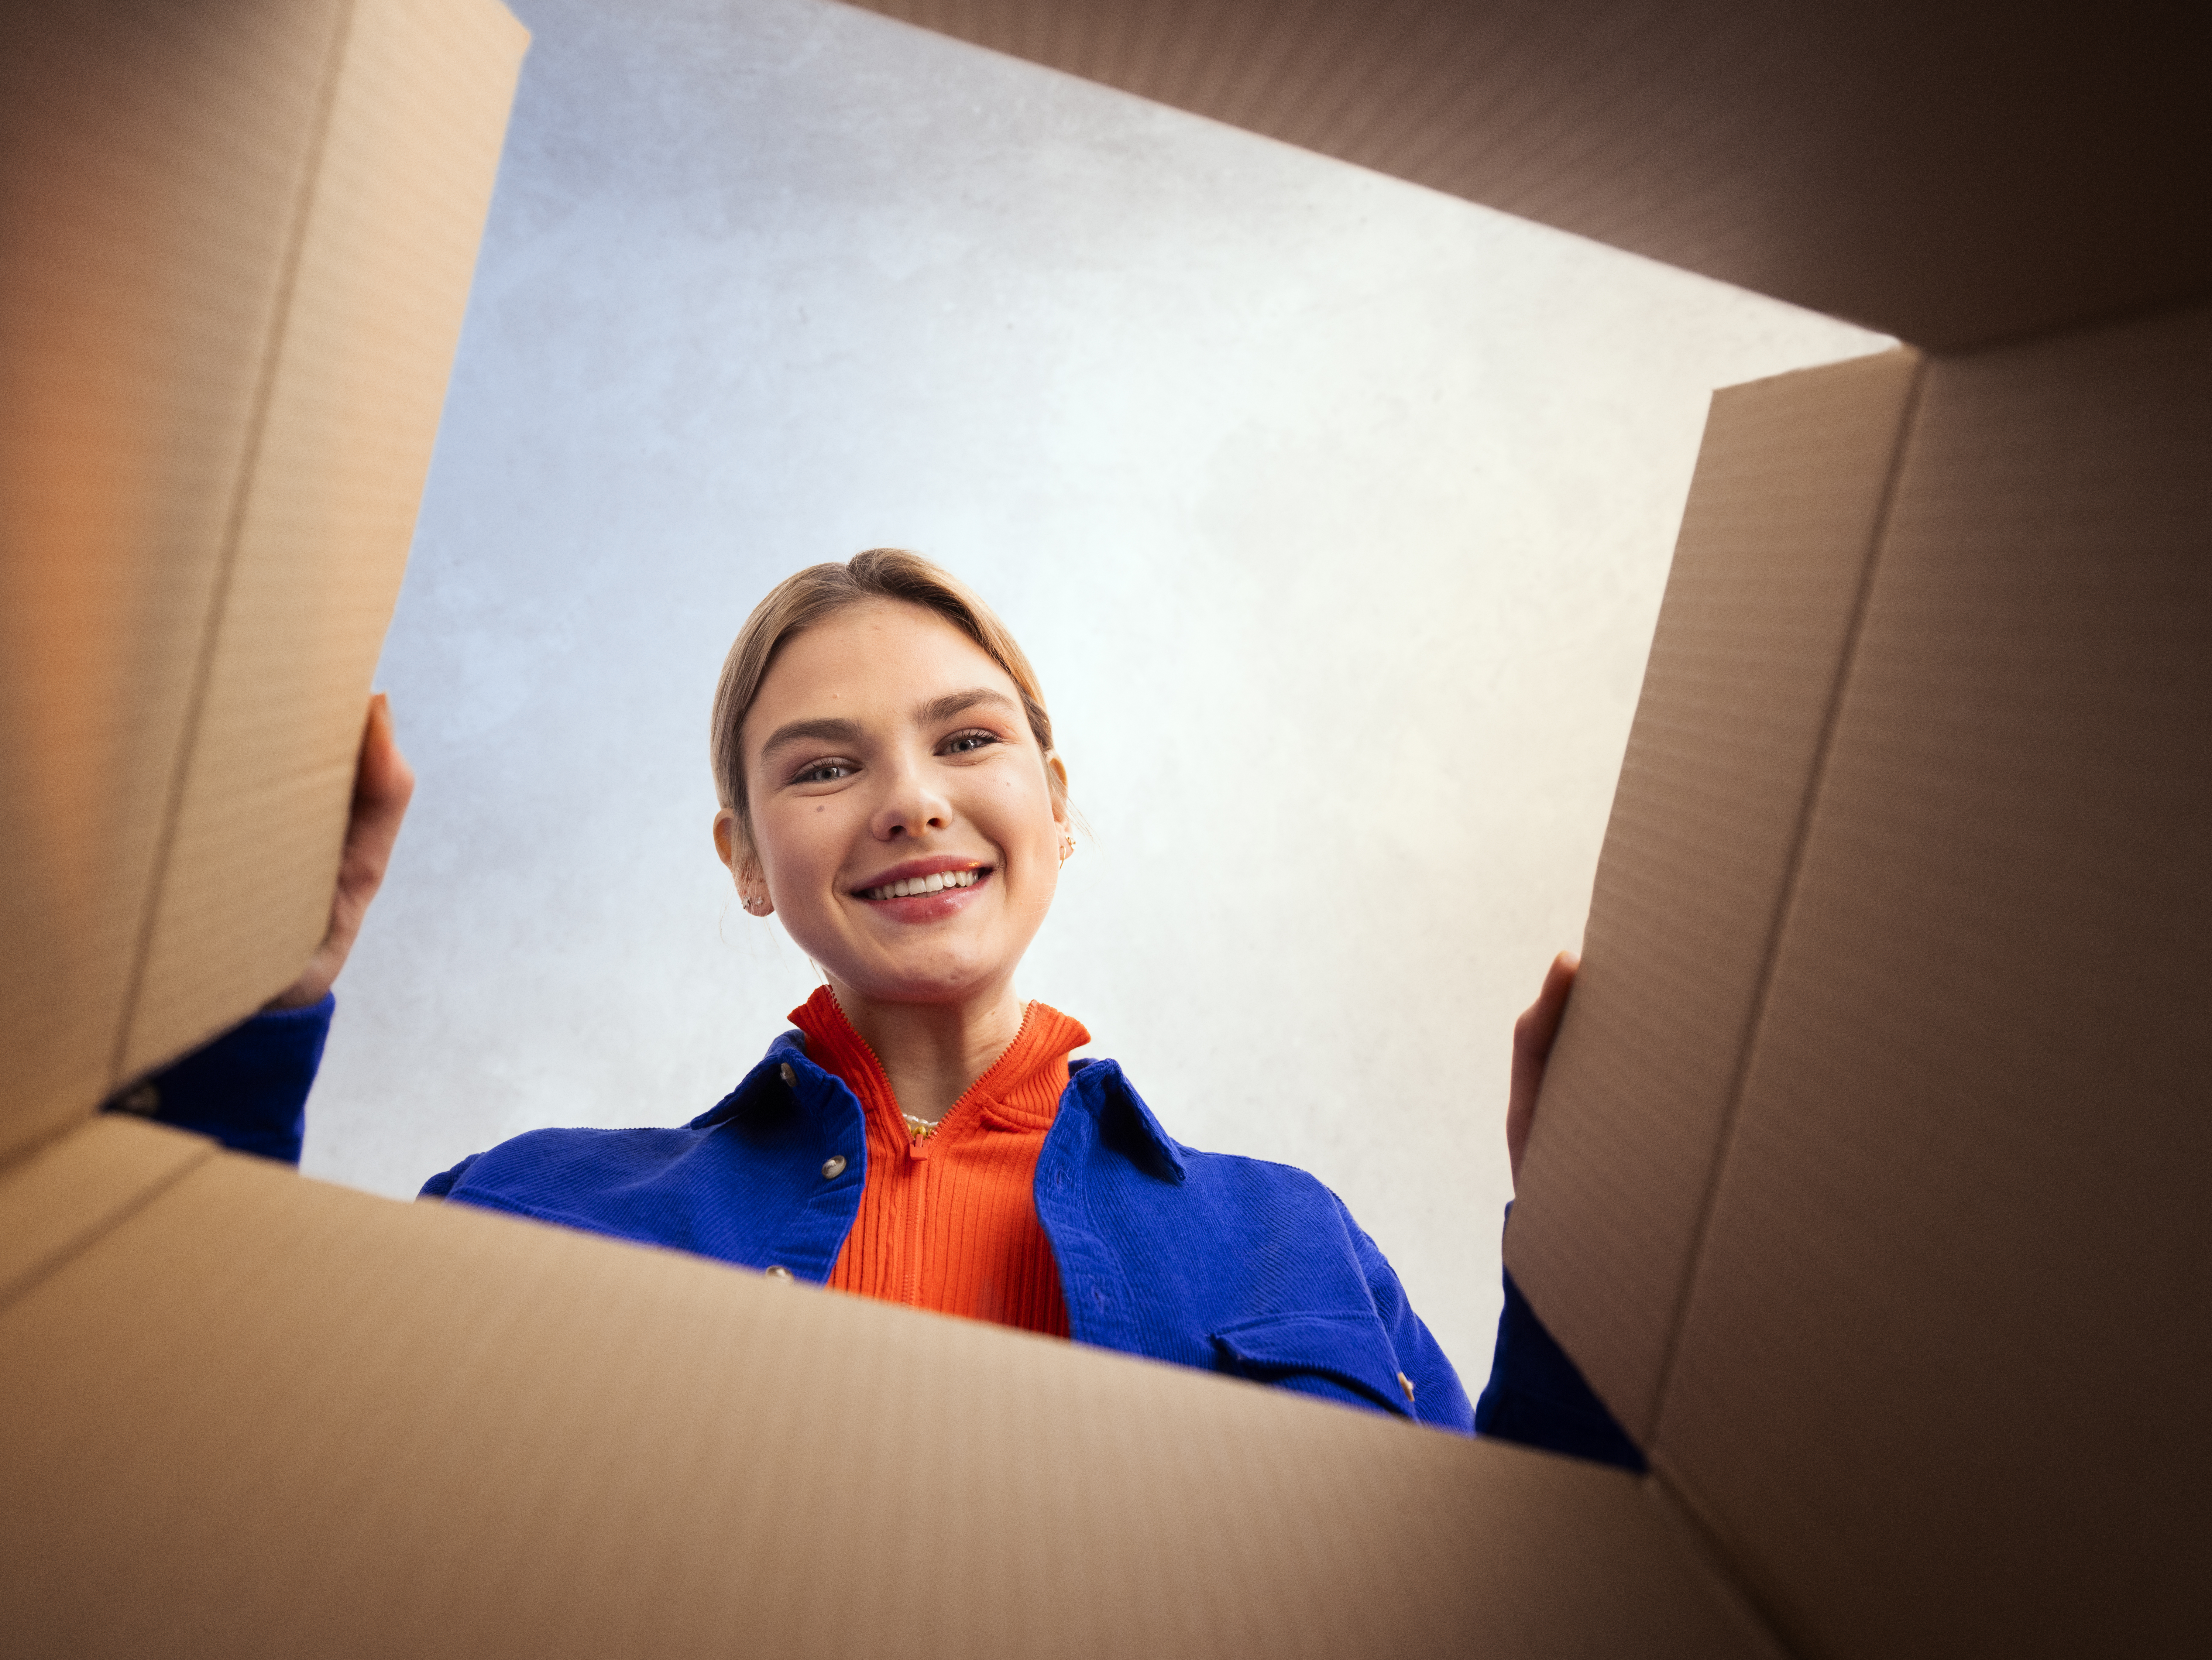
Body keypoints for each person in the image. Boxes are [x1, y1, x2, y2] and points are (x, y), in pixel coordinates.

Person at [108, 549, 1635, 1461]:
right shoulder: (523, 1206)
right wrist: (242, 1005)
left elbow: (1530, 1602)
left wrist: (1603, 1257)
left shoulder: (1294, 1242)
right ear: (747, 861)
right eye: (824, 767)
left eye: (965, 740)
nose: (911, 803)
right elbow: (195, 1472)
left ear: (1052, 798)